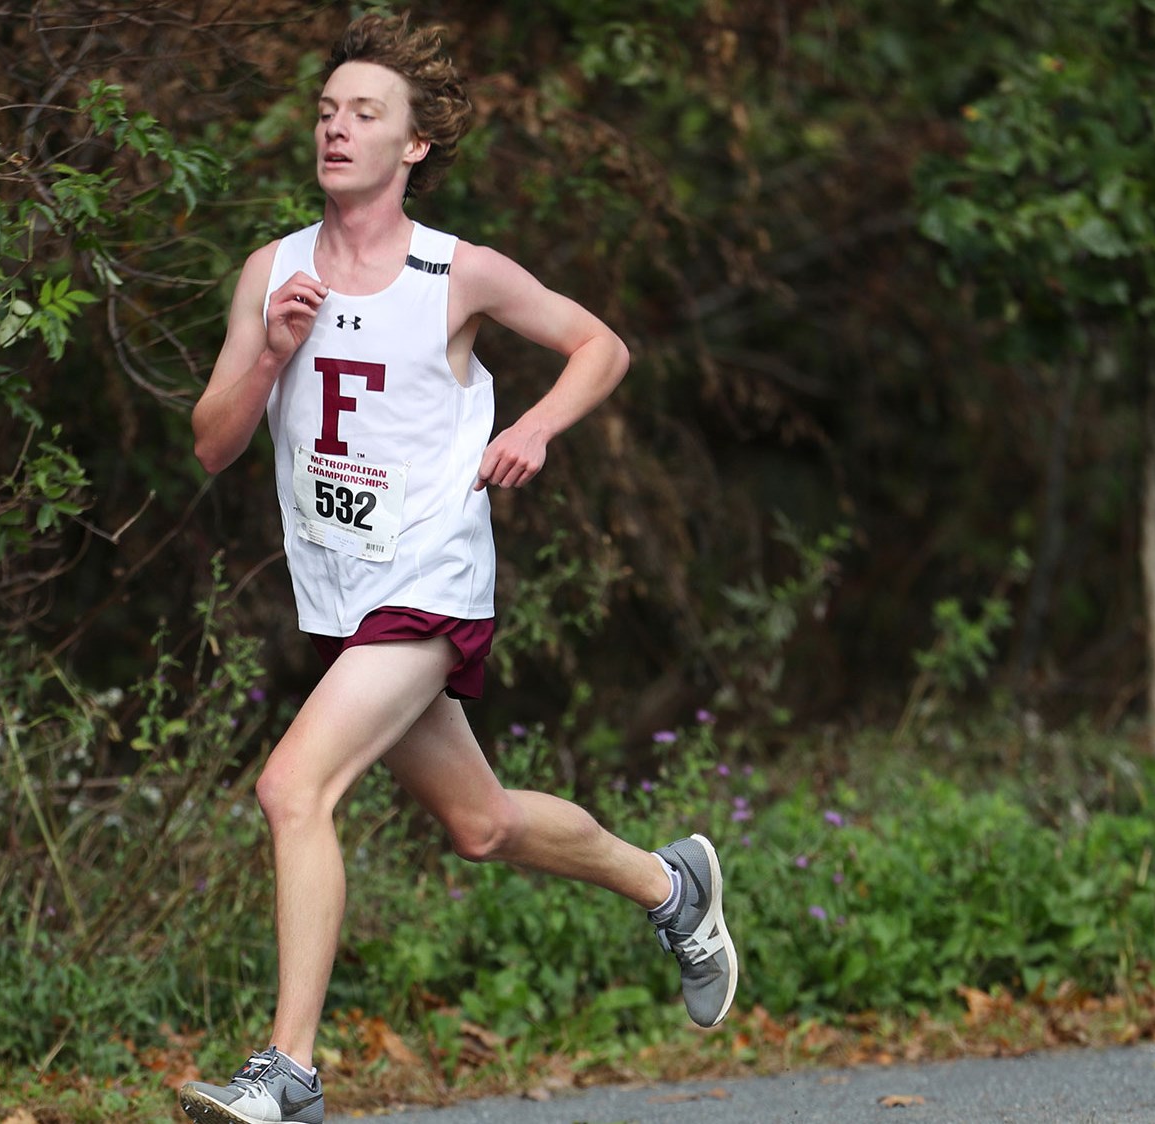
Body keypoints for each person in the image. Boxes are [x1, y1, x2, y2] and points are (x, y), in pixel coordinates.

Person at [177, 15, 737, 1124]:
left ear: (414, 144)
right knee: (480, 825)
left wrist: (532, 428)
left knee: (293, 786)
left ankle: (288, 1068)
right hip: (345, 591)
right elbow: (211, 440)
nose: (337, 129)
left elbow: (601, 346)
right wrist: (275, 352)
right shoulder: (270, 273)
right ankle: (672, 885)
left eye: (365, 114)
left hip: (428, 581)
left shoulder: (455, 272)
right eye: (327, 111)